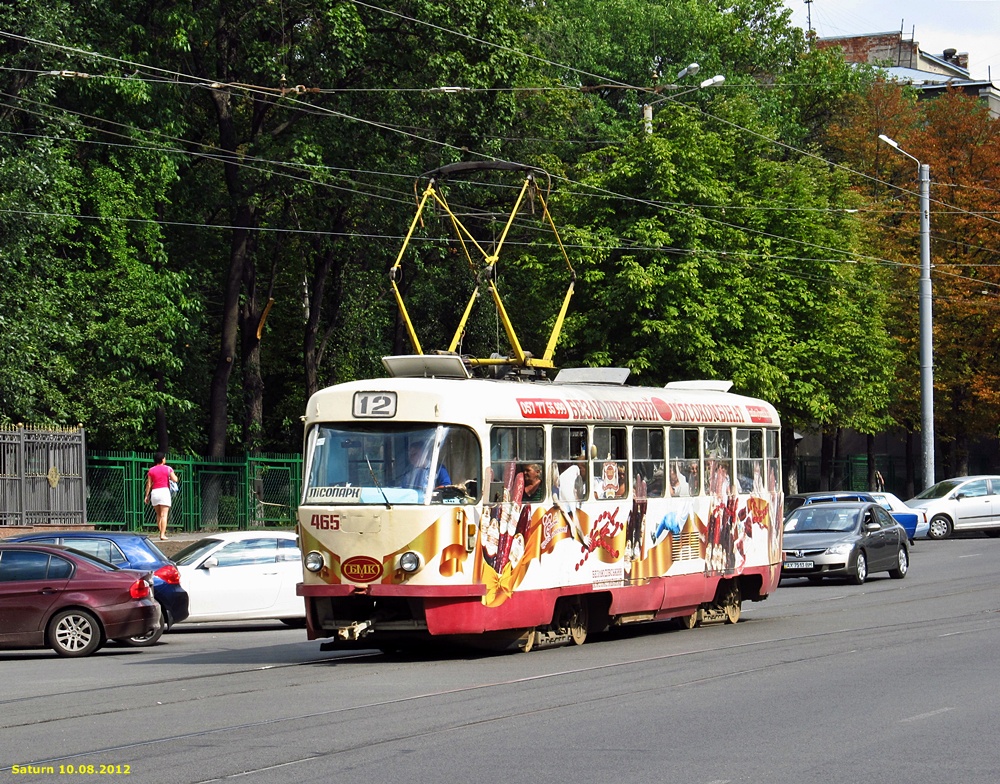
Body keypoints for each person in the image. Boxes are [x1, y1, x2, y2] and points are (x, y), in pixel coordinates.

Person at [144, 452, 179, 541]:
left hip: (155, 493)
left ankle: (161, 532)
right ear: (163, 459)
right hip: (164, 492)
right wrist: (169, 477)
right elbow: (175, 479)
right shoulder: (168, 469)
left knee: (159, 515)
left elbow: (148, 484)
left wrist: (146, 496)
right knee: (164, 515)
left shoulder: (151, 470)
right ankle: (162, 534)